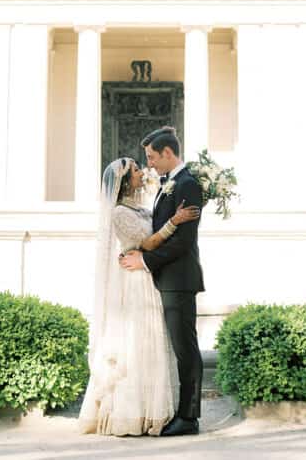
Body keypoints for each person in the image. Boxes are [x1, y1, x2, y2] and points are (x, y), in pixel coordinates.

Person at [78, 157, 200, 437]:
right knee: (138, 343)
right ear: (123, 181)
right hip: (135, 282)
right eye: (135, 169)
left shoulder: (140, 206)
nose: (141, 171)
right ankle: (132, 413)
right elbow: (146, 242)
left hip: (148, 277)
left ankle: (154, 409)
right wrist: (175, 221)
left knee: (152, 342)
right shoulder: (119, 212)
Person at [120, 126, 205, 436]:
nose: (150, 164)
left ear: (168, 153)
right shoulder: (170, 184)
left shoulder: (187, 185)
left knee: (186, 349)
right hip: (168, 278)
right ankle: (183, 413)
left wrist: (144, 261)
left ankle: (188, 418)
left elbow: (183, 242)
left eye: (153, 157)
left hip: (179, 279)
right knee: (181, 348)